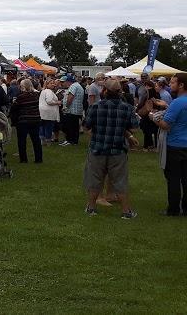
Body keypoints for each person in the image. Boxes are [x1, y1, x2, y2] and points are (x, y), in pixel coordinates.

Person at [82, 78, 140, 219]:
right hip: (118, 150)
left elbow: (86, 127)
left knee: (95, 179)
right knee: (120, 181)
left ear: (104, 91)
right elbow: (134, 128)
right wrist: (124, 131)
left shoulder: (95, 107)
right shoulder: (127, 108)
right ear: (119, 91)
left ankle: (91, 208)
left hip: (97, 149)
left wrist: (96, 134)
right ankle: (126, 211)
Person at [152, 73, 187, 216]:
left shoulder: (178, 102)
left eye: (172, 82)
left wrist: (153, 117)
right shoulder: (177, 102)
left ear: (181, 85)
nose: (170, 85)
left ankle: (173, 209)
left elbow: (166, 125)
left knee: (173, 179)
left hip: (175, 145)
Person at [10, 79, 43, 164]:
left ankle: (23, 159)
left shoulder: (21, 97)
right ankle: (38, 158)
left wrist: (14, 103)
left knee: (22, 140)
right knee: (36, 139)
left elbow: (14, 108)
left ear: (23, 86)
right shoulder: (36, 95)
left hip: (24, 120)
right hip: (35, 119)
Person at [60, 75, 84, 146]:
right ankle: (74, 141)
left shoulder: (73, 86)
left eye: (65, 82)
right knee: (75, 127)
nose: (64, 84)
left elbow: (70, 97)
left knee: (70, 127)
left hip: (71, 110)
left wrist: (66, 107)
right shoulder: (79, 86)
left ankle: (69, 140)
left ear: (68, 82)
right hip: (77, 110)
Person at [38, 79, 62, 144]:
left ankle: (42, 140)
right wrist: (58, 102)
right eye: (51, 83)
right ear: (47, 84)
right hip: (49, 112)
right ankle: (48, 140)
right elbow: (49, 101)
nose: (53, 84)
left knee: (42, 126)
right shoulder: (49, 91)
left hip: (42, 112)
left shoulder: (43, 91)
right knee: (48, 126)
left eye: (53, 83)